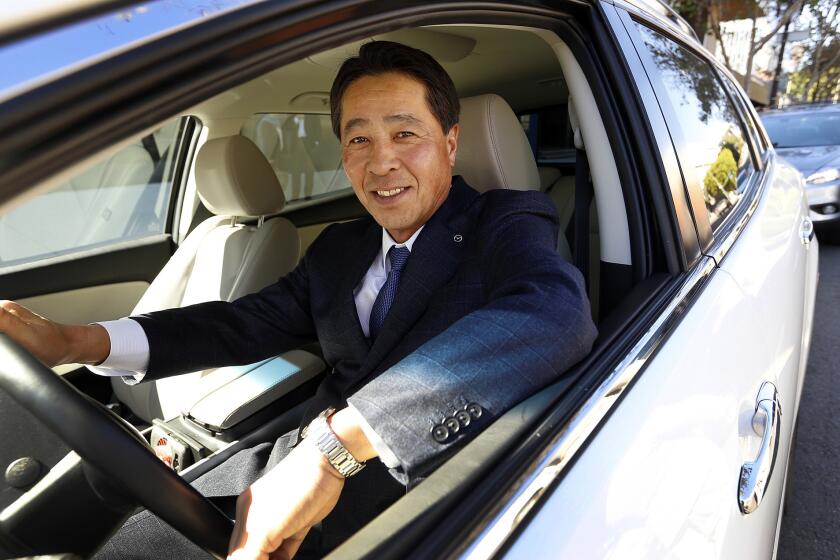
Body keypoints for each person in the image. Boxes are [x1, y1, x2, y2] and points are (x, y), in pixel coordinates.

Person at [0, 41, 597, 559]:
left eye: (405, 133)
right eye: (358, 138)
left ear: (450, 140)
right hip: (287, 474)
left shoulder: (508, 219)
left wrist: (337, 447)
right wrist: (76, 341)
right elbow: (237, 325)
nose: (381, 160)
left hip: (433, 499)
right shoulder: (340, 248)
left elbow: (553, 314)